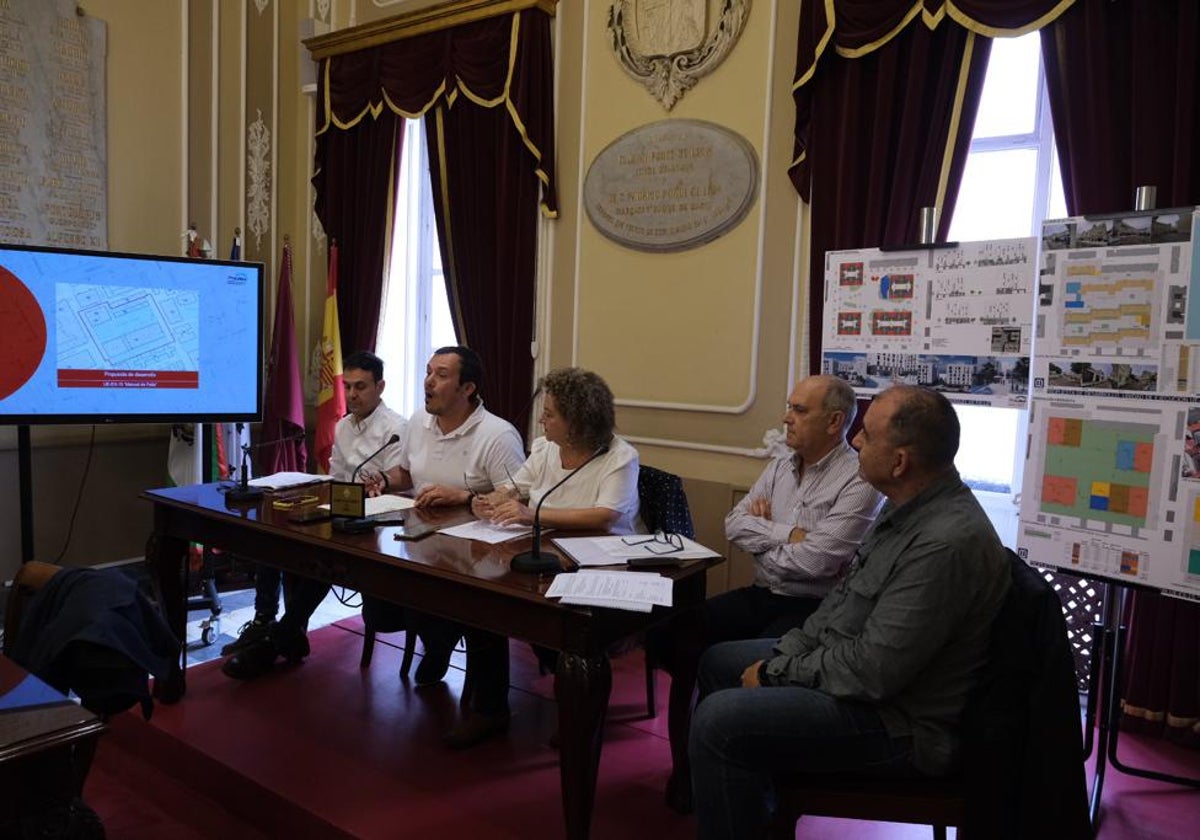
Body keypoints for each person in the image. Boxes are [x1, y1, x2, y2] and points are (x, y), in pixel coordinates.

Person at [688, 386, 1011, 839]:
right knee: (718, 661)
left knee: (718, 723)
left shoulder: (944, 543)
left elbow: (874, 672)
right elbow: (840, 603)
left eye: (867, 436)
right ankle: (755, 805)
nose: (855, 442)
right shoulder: (905, 507)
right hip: (866, 682)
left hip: (900, 725)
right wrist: (791, 653)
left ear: (899, 462)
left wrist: (779, 672)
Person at [651, 375, 882, 806]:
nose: (785, 418)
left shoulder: (859, 478)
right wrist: (789, 533)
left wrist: (767, 541)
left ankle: (746, 771)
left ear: (835, 422)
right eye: (789, 406)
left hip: (815, 608)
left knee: (750, 660)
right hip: (763, 592)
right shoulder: (781, 464)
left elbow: (818, 564)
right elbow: (733, 523)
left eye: (799, 410)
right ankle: (689, 765)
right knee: (676, 633)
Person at [452, 367, 641, 749]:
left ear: (578, 420)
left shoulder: (620, 457)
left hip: (599, 563)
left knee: (554, 628)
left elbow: (605, 516)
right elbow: (519, 485)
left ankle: (583, 711)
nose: (542, 419)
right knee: (485, 605)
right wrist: (498, 497)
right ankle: (490, 710)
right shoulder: (545, 448)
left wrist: (531, 514)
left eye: (551, 413)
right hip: (543, 557)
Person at [221, 351, 407, 679]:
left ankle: (278, 640)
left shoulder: (397, 429)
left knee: (321, 560)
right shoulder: (345, 425)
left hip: (376, 522)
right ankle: (272, 625)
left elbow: (395, 487)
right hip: (340, 509)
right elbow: (335, 475)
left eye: (361, 387)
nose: (351, 395)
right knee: (277, 534)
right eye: (347, 387)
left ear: (380, 387)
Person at [361, 345, 526, 687]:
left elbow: (516, 502)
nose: (428, 382)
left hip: (476, 553)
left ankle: (444, 649)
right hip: (419, 541)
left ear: (468, 389)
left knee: (451, 601)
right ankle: (437, 640)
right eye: (428, 372)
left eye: (442, 375)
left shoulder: (498, 435)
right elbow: (406, 473)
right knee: (378, 607)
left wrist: (464, 496)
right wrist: (385, 479)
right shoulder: (419, 421)